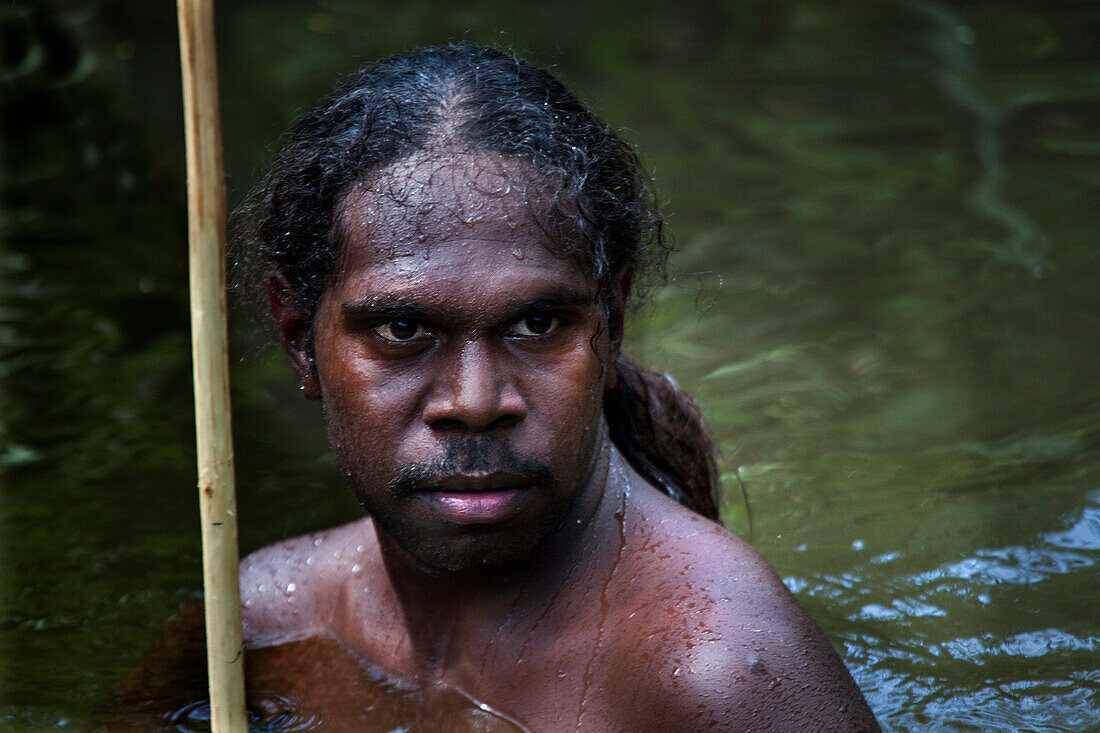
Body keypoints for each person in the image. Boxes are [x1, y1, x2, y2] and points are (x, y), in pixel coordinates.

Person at [110, 44, 879, 731]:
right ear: (298, 342)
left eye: (538, 322)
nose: (476, 401)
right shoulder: (262, 621)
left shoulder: (720, 671)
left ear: (607, 326)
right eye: (403, 330)